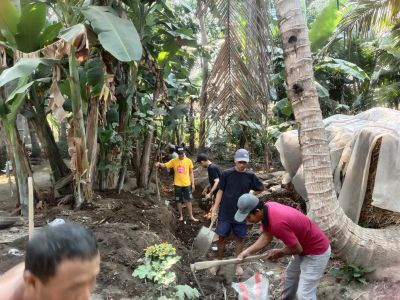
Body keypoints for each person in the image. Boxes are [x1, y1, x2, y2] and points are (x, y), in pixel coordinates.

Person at [235, 194, 331, 300]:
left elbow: (297, 249)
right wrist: (247, 252)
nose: (248, 220)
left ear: (257, 211)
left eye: (248, 217)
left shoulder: (277, 223)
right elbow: (267, 236)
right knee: (291, 276)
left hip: (316, 252)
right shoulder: (267, 208)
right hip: (302, 247)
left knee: (305, 294)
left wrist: (279, 252)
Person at [0, 222, 100, 300]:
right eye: (75, 287)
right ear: (33, 283)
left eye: (92, 280)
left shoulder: (44, 269)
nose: (86, 297)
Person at [211, 148, 264, 275]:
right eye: (240, 162)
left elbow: (260, 188)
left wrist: (251, 193)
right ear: (235, 161)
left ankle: (237, 264)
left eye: (244, 162)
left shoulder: (250, 176)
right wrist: (214, 209)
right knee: (221, 238)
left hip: (242, 213)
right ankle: (218, 263)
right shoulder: (226, 174)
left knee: (240, 238)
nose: (242, 165)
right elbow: (220, 191)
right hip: (225, 211)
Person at [156, 147, 198, 222]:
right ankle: (181, 216)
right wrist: (159, 163)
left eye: (182, 153)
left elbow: (191, 173)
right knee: (178, 200)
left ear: (184, 153)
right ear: (177, 154)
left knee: (188, 200)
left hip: (187, 184)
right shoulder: (174, 161)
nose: (181, 155)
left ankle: (191, 216)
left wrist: (193, 184)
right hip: (177, 184)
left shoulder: (189, 161)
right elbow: (164, 165)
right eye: (179, 154)